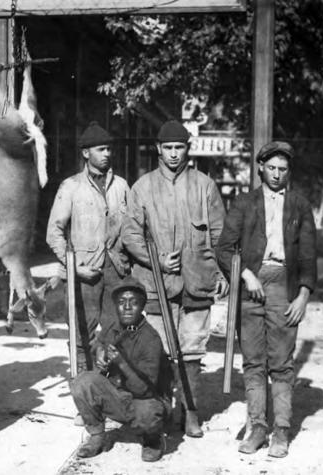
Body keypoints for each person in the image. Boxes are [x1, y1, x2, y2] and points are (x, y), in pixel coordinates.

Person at [122, 120, 227, 437]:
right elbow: (130, 233)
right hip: (156, 286)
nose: (173, 154)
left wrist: (221, 272)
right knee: (158, 353)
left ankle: (190, 412)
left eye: (178, 147)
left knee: (192, 352)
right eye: (167, 147)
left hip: (198, 282)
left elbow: (220, 235)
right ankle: (161, 411)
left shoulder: (205, 186)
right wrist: (153, 260)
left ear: (188, 149)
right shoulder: (142, 187)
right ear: (158, 149)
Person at [216, 141, 317, 458]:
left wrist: (303, 295)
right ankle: (257, 427)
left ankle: (281, 432)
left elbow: (308, 256)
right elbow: (223, 248)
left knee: (282, 365)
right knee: (253, 362)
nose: (276, 174)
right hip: (250, 286)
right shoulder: (244, 204)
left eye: (282, 169)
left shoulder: (300, 206)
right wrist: (245, 274)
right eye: (271, 168)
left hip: (282, 285)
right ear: (260, 168)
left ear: (289, 172)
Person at [46, 121, 130, 372]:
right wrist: (75, 267)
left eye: (109, 149)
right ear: (86, 153)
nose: (107, 154)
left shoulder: (122, 186)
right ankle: (83, 386)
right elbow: (54, 233)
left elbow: (134, 229)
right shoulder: (70, 187)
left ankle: (110, 385)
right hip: (85, 274)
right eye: (101, 149)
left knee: (118, 331)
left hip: (116, 270)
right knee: (83, 333)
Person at [70, 276, 170, 463]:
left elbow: (145, 390)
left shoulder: (150, 339)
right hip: (119, 394)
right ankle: (97, 435)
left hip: (146, 399)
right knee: (82, 383)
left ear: (142, 307)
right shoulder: (113, 326)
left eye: (134, 302)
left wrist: (121, 363)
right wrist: (99, 351)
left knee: (147, 412)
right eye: (122, 302)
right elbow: (98, 343)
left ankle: (152, 440)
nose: (126, 307)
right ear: (115, 305)